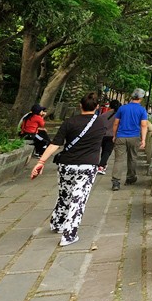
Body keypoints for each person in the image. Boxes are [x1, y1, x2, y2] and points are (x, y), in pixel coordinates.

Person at [31, 92, 108, 247]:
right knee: (78, 199)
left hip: (66, 165)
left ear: (80, 105)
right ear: (97, 107)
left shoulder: (69, 122)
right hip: (88, 166)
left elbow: (55, 143)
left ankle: (57, 223)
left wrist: (41, 161)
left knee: (64, 195)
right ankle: (69, 234)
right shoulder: (101, 123)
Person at [110, 88, 149, 191]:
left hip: (121, 136)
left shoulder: (122, 108)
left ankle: (116, 182)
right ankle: (130, 178)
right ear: (141, 98)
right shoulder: (142, 110)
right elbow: (144, 125)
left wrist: (114, 135)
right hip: (134, 137)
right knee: (132, 158)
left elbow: (115, 123)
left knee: (118, 159)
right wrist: (143, 140)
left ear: (132, 97)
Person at [97, 99, 121, 175]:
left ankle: (103, 163)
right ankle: (101, 166)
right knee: (107, 151)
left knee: (104, 150)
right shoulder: (119, 116)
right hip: (112, 135)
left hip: (103, 134)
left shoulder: (104, 115)